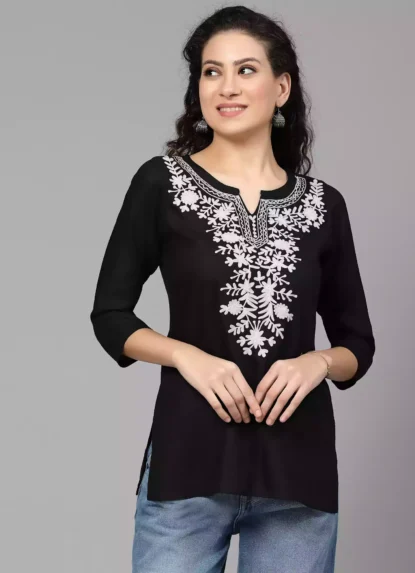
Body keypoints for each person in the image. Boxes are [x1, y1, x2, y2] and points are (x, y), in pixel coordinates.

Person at [90, 5, 375, 573]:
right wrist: (185, 356)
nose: (226, 87)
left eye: (246, 70)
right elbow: (110, 315)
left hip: (299, 477)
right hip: (187, 466)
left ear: (281, 87)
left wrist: (317, 362)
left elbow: (357, 345)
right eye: (211, 71)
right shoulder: (161, 183)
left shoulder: (324, 205)